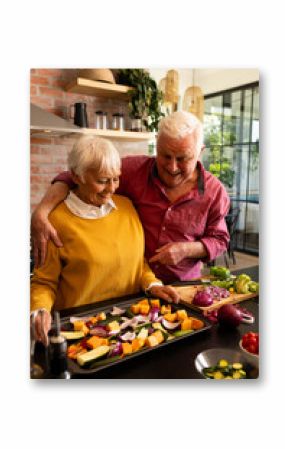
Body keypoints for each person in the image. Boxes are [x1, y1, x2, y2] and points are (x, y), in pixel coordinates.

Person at [31, 111, 230, 284]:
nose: (172, 167)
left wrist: (187, 249)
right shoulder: (132, 170)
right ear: (156, 145)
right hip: (136, 285)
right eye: (165, 156)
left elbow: (220, 239)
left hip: (184, 285)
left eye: (182, 158)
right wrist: (41, 212)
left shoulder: (215, 192)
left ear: (200, 152)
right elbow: (73, 176)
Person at [31, 135, 178, 345]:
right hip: (79, 331)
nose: (111, 188)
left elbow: (137, 264)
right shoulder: (56, 221)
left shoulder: (127, 207)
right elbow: (44, 282)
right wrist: (39, 309)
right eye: (101, 181)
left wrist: (153, 284)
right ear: (76, 175)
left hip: (130, 325)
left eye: (116, 178)